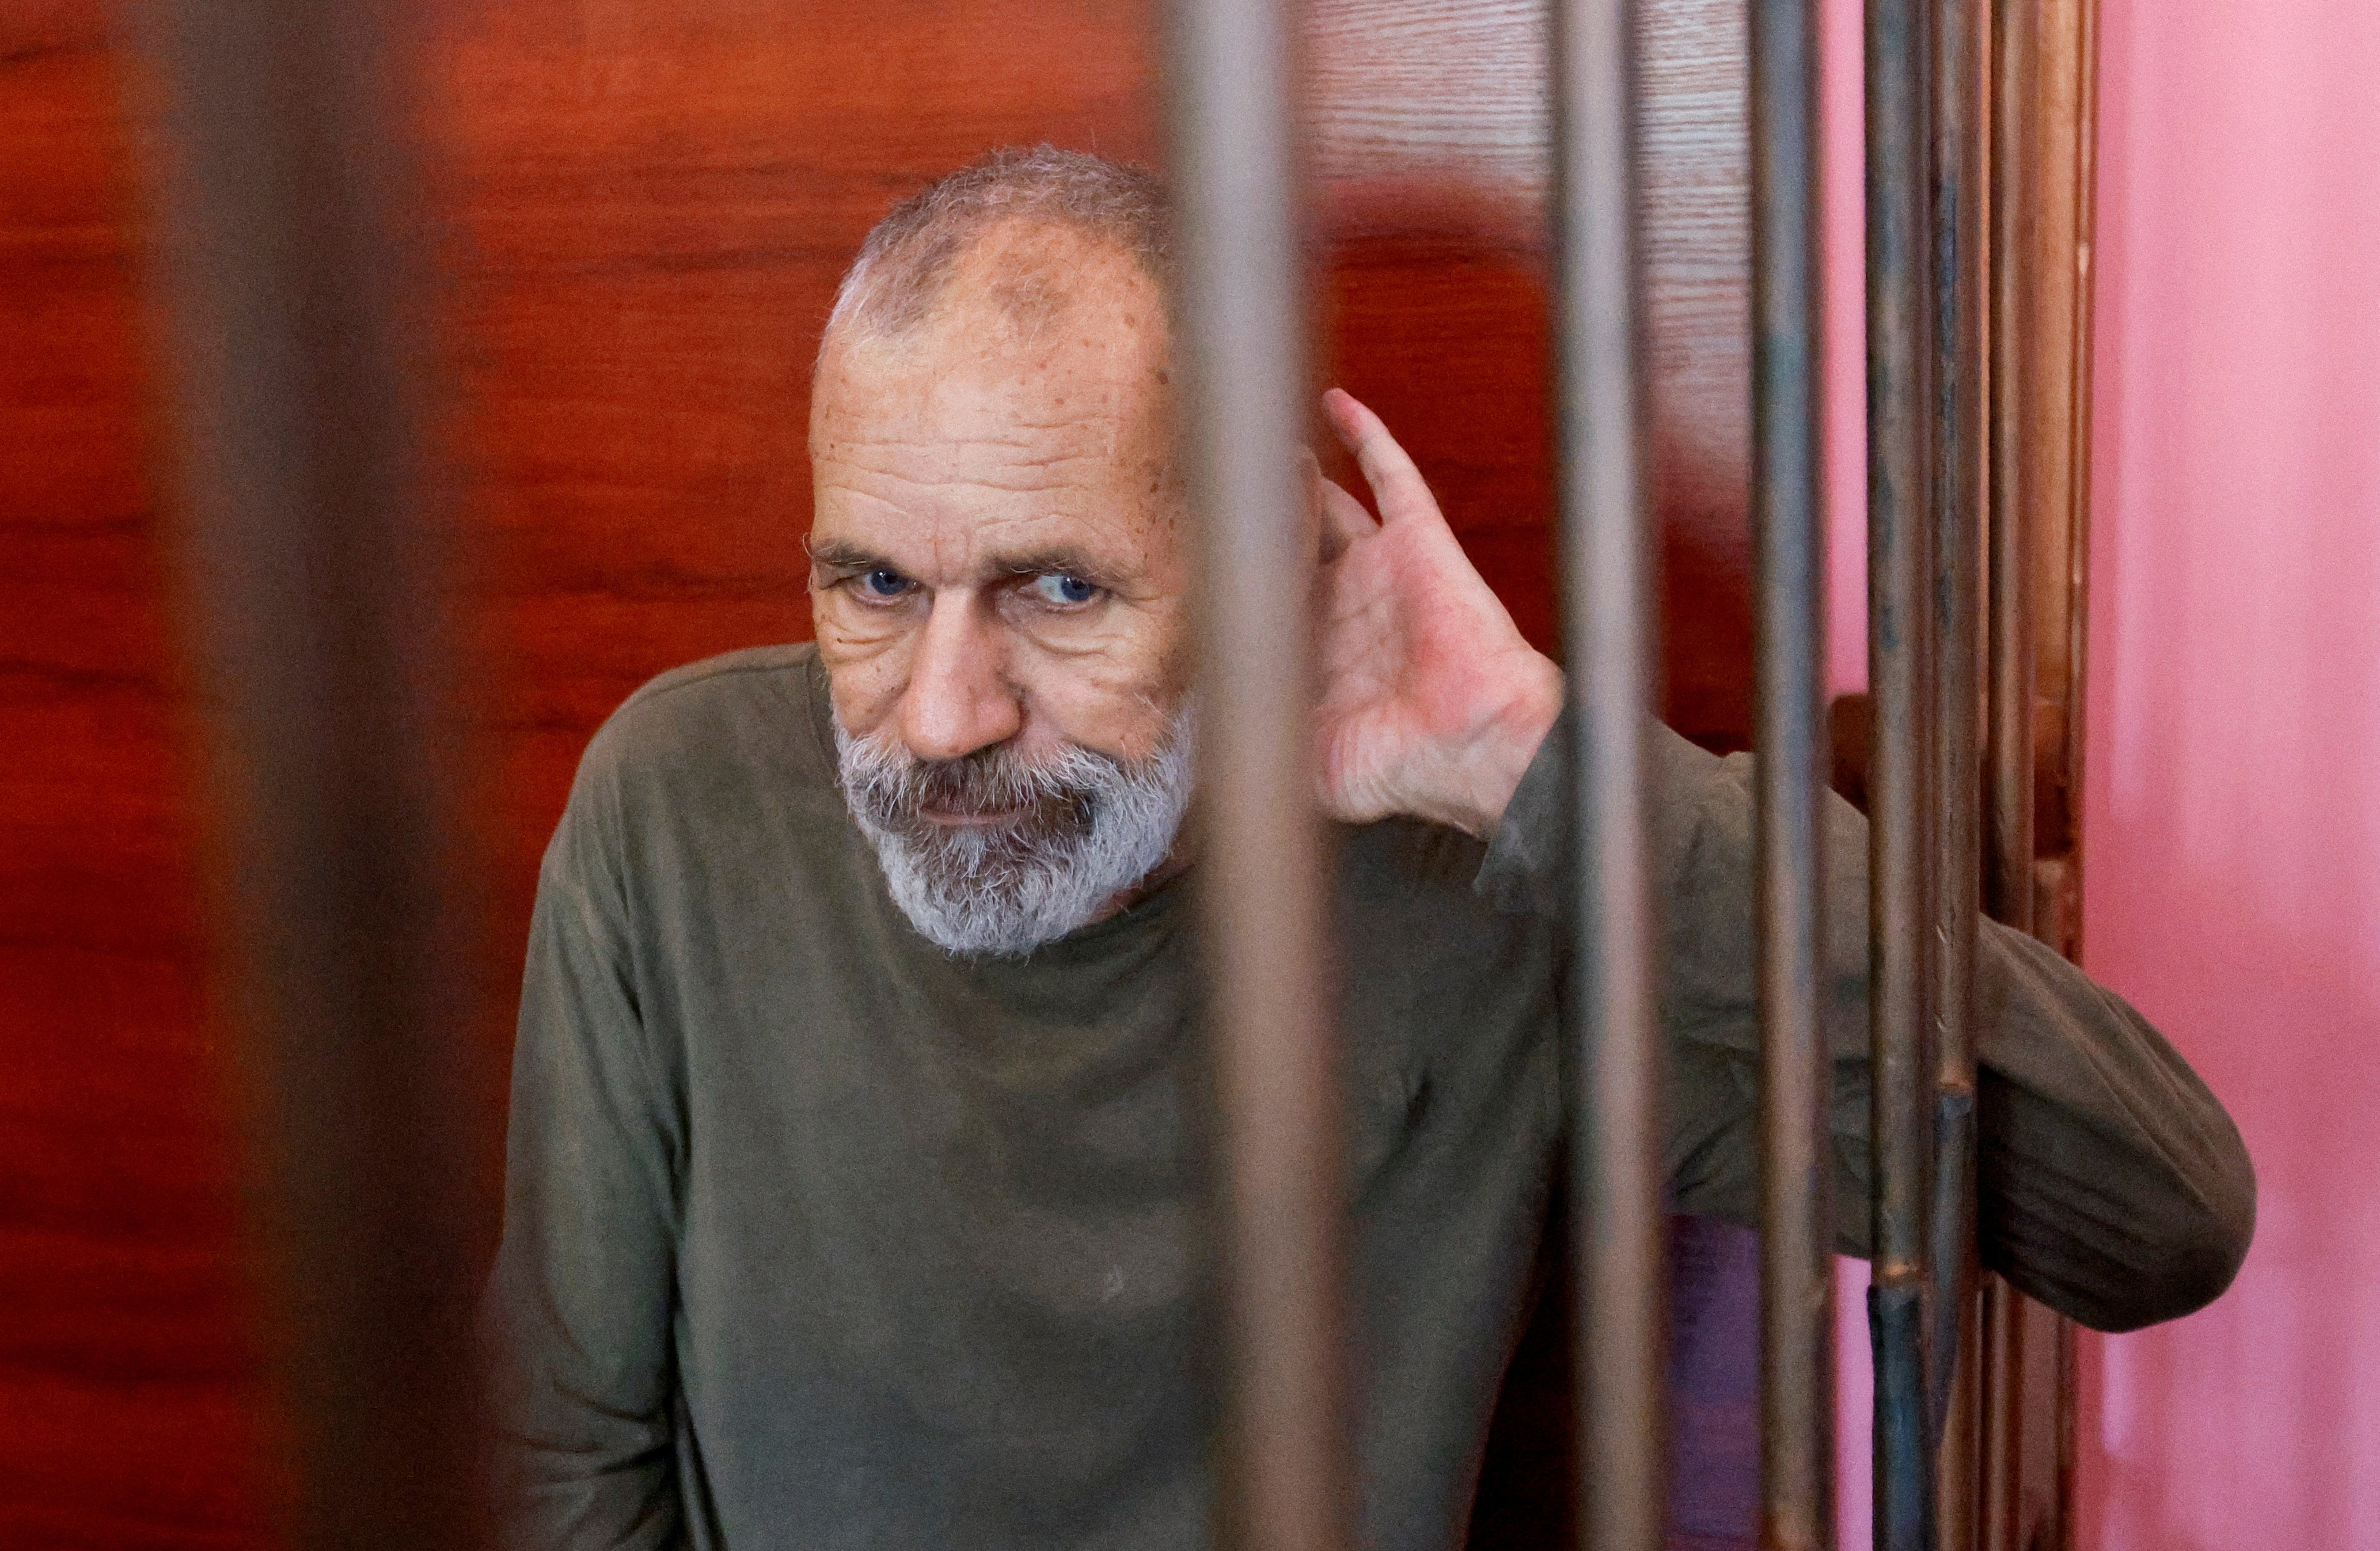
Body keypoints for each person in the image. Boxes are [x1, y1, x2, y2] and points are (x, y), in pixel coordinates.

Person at [481, 147, 2252, 1551]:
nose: (941, 712)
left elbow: (2156, 1218)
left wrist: (1530, 761)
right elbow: (566, 1453)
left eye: (1061, 589)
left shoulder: (1487, 894)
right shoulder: (680, 805)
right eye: (873, 582)